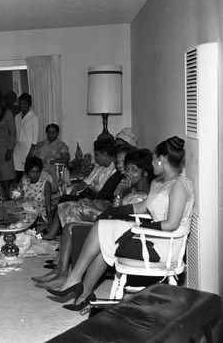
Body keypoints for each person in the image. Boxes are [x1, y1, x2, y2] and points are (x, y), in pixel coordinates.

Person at [47, 136, 194, 312]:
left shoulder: (179, 185)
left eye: (154, 158)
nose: (152, 163)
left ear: (162, 159)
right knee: (103, 236)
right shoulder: (158, 182)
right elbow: (141, 207)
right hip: (149, 238)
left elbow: (170, 224)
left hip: (162, 246)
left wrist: (137, 229)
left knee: (103, 232)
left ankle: (75, 281)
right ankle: (82, 293)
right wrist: (112, 212)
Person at [34, 147, 154, 288]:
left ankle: (63, 274)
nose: (128, 173)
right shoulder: (133, 187)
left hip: (117, 230)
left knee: (71, 226)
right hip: (111, 222)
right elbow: (117, 210)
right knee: (68, 225)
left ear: (145, 172)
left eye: (133, 170)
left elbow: (119, 213)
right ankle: (61, 272)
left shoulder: (141, 196)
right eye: (127, 169)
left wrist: (119, 193)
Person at [32, 124, 70, 191]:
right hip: (37, 168)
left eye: (53, 132)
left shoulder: (61, 145)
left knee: (41, 181)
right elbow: (31, 157)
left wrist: (49, 161)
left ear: (57, 133)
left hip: (52, 169)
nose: (51, 134)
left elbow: (66, 159)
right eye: (49, 132)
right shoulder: (41, 144)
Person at [13, 93, 39, 181]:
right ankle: (16, 192)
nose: (22, 106)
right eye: (20, 103)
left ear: (29, 104)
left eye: (24, 104)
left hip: (28, 147)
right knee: (15, 171)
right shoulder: (17, 116)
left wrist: (30, 153)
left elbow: (35, 139)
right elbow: (16, 134)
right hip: (18, 146)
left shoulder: (34, 117)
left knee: (26, 172)